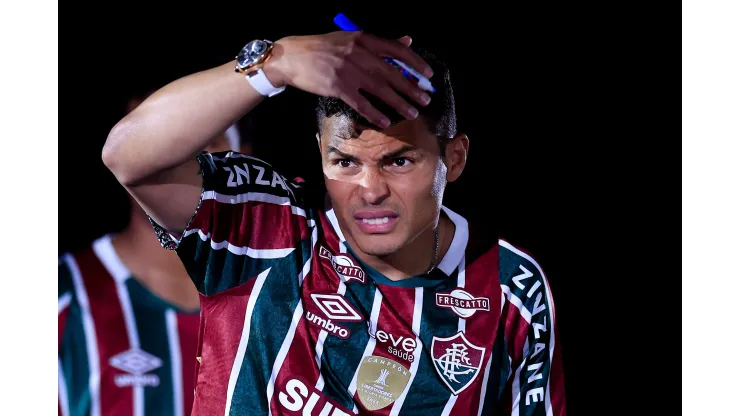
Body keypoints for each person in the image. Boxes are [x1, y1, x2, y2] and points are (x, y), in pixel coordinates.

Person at [102, 31, 567, 415]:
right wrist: (276, 64)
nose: (370, 190)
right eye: (344, 162)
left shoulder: (511, 286)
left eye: (399, 161)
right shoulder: (266, 225)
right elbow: (128, 156)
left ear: (455, 158)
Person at [58, 89, 249, 416]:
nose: (180, 155)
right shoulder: (62, 297)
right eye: (156, 137)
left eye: (206, 138)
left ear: (244, 159)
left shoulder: (290, 298)